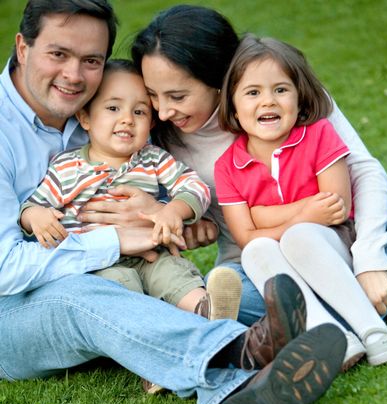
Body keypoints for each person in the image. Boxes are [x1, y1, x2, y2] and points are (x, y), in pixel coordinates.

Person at [0, 0, 347, 404]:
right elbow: (5, 270)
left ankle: (330, 309)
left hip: (140, 276)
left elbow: (181, 188)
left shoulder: (106, 109)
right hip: (19, 312)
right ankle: (242, 357)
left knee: (245, 284)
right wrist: (112, 241)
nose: (74, 75)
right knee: (84, 295)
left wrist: (179, 218)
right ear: (22, 46)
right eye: (59, 54)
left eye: (91, 60)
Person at [130, 4, 387, 331]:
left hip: (338, 248)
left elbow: (363, 173)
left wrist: (369, 260)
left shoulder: (286, 101)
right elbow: (170, 204)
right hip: (259, 266)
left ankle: (320, 322)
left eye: (178, 96)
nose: (165, 111)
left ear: (218, 79)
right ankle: (372, 311)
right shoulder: (160, 136)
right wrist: (181, 218)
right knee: (222, 290)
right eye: (154, 96)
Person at [214, 35, 387, 367]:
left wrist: (264, 215)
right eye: (252, 92)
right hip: (280, 260)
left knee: (300, 236)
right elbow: (245, 237)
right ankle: (333, 334)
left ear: (300, 96)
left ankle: (375, 332)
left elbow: (334, 206)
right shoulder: (227, 167)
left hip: (333, 245)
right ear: (233, 105)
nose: (268, 101)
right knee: (256, 252)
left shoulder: (318, 133)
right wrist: (304, 212)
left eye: (280, 89)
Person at [20, 57, 242, 321]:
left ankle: (208, 311)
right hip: (98, 263)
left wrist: (173, 210)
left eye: (139, 112)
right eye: (113, 108)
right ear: (85, 117)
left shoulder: (154, 159)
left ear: (151, 123)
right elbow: (34, 204)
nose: (127, 119)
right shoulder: (68, 167)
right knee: (116, 287)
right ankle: (150, 325)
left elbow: (195, 186)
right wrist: (35, 217)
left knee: (173, 274)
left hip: (153, 255)